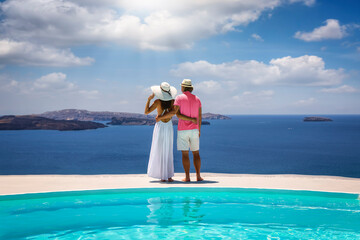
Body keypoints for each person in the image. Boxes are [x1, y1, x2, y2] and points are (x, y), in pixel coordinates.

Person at [145, 82, 196, 182]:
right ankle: (168, 176)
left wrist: (148, 99)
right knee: (168, 150)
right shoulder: (173, 102)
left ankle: (162, 176)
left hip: (160, 127)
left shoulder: (157, 102)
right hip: (168, 126)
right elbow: (176, 114)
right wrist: (191, 119)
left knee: (159, 149)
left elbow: (146, 112)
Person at [157, 79, 203, 182]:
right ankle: (198, 176)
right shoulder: (197, 99)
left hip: (183, 130)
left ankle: (187, 177)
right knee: (196, 153)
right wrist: (199, 129)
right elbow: (199, 116)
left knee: (185, 154)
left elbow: (175, 112)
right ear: (190, 88)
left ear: (183, 87)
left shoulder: (179, 98)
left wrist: (161, 117)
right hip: (195, 129)